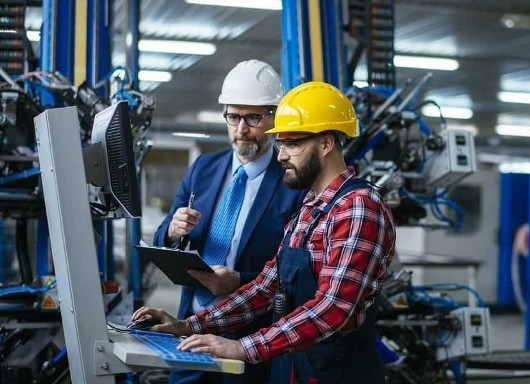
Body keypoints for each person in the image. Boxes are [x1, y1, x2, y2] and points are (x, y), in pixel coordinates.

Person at [136, 81, 396, 384]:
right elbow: (267, 289)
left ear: (326, 144)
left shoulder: (359, 207)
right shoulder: (311, 206)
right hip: (295, 368)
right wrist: (188, 325)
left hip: (337, 372)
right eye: (281, 143)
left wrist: (243, 347)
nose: (281, 155)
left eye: (292, 143)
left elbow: (333, 308)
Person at [153, 59, 305, 384]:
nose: (241, 129)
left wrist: (238, 281)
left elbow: (296, 275)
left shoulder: (293, 184)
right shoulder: (203, 169)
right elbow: (161, 236)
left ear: (274, 118)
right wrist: (171, 230)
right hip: (192, 326)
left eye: (253, 118)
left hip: (250, 339)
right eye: (233, 117)